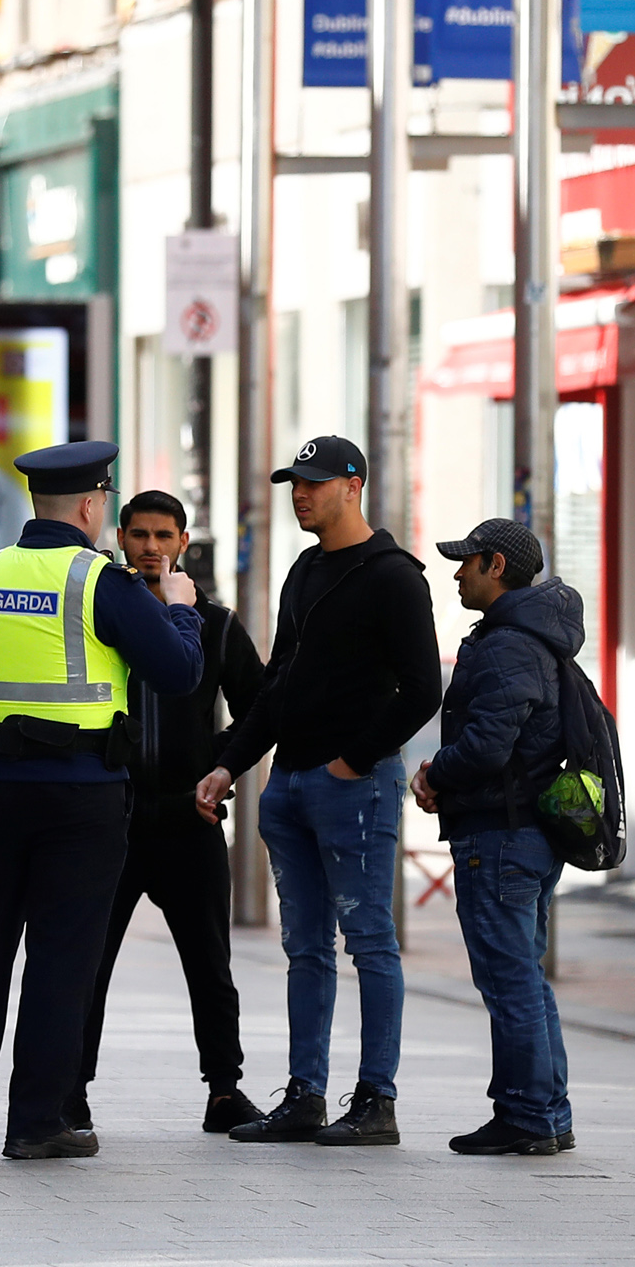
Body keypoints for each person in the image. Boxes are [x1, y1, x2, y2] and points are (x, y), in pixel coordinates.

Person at [0, 441, 205, 1161]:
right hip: (80, 796)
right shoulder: (101, 583)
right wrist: (179, 610)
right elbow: (178, 675)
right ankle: (36, 1122)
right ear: (89, 505)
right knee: (60, 955)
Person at [195, 435, 441, 1146]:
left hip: (351, 787)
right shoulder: (303, 571)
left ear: (353, 485)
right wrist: (231, 763)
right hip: (290, 785)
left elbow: (422, 688)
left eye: (313, 482)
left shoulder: (394, 576)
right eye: (293, 484)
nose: (300, 494)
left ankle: (376, 1102)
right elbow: (278, 686)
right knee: (304, 948)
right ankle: (305, 1095)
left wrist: (353, 761)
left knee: (370, 942)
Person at [67, 490, 267, 1136]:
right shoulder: (102, 616)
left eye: (164, 536)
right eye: (140, 535)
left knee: (210, 962)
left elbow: (261, 710)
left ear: (182, 542)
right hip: (111, 819)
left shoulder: (217, 625)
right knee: (87, 963)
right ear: (121, 538)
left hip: (189, 819)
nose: (151, 548)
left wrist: (222, 764)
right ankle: (72, 1090)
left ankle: (225, 1090)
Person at [412, 519, 580, 1156]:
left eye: (466, 563)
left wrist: (434, 773)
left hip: (501, 834)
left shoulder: (509, 645)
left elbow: (487, 745)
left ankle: (527, 1116)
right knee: (524, 979)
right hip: (522, 833)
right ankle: (548, 1113)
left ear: (497, 567)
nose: (458, 574)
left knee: (509, 981)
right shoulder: (533, 636)